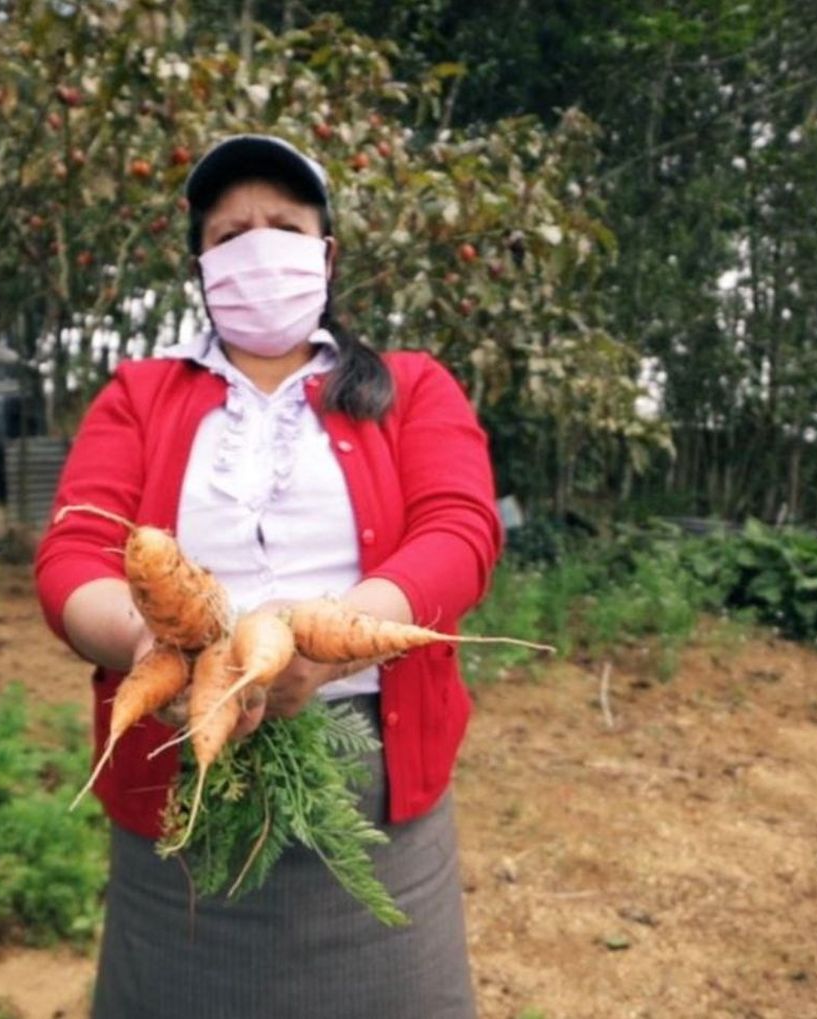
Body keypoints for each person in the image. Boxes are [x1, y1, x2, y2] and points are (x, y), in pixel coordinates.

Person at [34, 134, 501, 1019]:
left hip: (367, 786)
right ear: (200, 268)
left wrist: (332, 637)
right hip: (182, 779)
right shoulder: (139, 395)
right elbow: (71, 556)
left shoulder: (412, 387)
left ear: (324, 255)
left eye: (283, 227)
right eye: (229, 233)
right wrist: (149, 646)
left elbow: (461, 529)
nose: (257, 247)